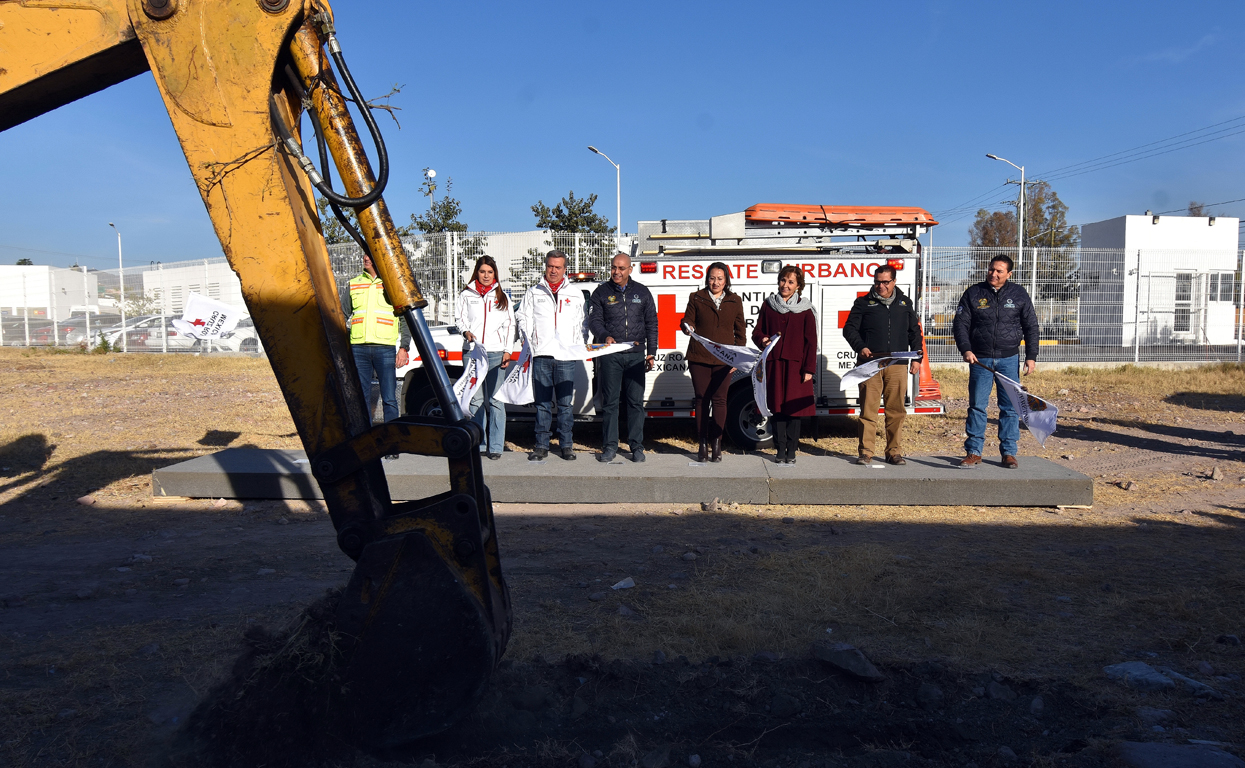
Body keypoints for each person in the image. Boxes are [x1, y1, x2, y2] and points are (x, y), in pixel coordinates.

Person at [952, 254, 1040, 468]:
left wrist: (1031, 356)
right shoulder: (974, 293)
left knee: (1009, 407)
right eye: (991, 269)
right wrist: (966, 349)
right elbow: (960, 324)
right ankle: (973, 452)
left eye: (999, 271)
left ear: (1009, 274)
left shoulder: (1019, 294)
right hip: (979, 360)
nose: (994, 273)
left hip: (1009, 359)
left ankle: (1008, 453)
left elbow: (1031, 326)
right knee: (977, 406)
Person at [842, 264, 923, 465]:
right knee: (868, 410)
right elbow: (849, 329)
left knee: (895, 411)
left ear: (894, 282)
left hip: (897, 364)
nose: (881, 286)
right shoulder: (862, 303)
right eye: (877, 282)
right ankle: (866, 452)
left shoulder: (905, 303)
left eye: (886, 282)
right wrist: (860, 346)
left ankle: (894, 452)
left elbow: (914, 332)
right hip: (870, 364)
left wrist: (918, 359)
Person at [516, 250, 586, 461]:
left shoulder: (575, 293)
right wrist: (529, 340)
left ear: (565, 269)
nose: (553, 270)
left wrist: (577, 346)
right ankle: (541, 445)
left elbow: (583, 323)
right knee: (543, 404)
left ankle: (566, 445)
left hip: (565, 356)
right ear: (545, 266)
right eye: (550, 266)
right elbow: (523, 317)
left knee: (565, 404)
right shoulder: (533, 292)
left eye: (558, 267)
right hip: (541, 355)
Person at [587, 253, 657, 463]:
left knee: (635, 403)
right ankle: (609, 447)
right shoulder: (600, 292)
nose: (616, 272)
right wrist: (604, 336)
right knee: (610, 403)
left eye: (621, 268)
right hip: (611, 356)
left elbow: (651, 323)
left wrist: (651, 351)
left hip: (635, 356)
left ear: (630, 269)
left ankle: (637, 447)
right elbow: (594, 320)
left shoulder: (642, 292)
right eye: (613, 268)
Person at [680, 261, 745, 462]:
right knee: (701, 399)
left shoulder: (735, 300)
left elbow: (740, 332)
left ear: (726, 280)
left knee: (720, 400)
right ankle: (702, 443)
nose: (715, 282)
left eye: (719, 278)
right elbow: (687, 320)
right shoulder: (696, 297)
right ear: (707, 279)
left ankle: (717, 442)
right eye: (712, 278)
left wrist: (738, 357)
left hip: (724, 359)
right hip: (699, 356)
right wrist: (686, 326)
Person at [752, 265, 817, 465]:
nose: (785, 285)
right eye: (783, 280)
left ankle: (792, 451)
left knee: (794, 411)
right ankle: (780, 450)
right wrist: (762, 340)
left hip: (797, 368)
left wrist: (809, 369)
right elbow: (757, 332)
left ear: (798, 286)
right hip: (775, 365)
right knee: (777, 409)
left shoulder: (805, 309)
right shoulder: (768, 305)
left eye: (790, 282)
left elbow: (811, 341)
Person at [455, 255, 514, 461]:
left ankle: (496, 446)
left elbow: (510, 325)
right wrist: (466, 332)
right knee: (475, 399)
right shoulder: (466, 295)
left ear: (495, 274)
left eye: (490, 272)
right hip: (473, 353)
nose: (486, 275)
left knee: (496, 400)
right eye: (483, 272)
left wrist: (508, 350)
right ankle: (479, 443)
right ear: (477, 273)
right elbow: (459, 318)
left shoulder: (503, 296)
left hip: (497, 354)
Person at [342, 251, 409, 427]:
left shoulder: (393, 285)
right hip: (358, 348)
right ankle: (365, 442)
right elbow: (341, 315)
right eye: (364, 254)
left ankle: (391, 443)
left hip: (385, 348)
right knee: (360, 399)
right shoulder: (354, 284)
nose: (365, 258)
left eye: (370, 255)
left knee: (389, 398)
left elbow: (404, 319)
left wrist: (404, 348)